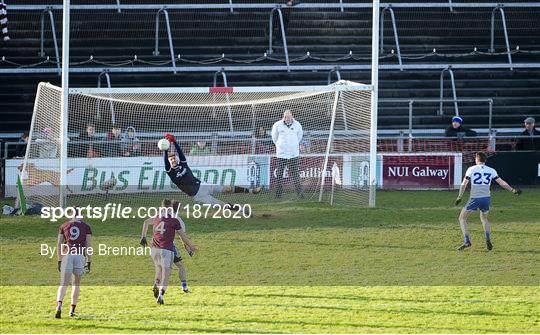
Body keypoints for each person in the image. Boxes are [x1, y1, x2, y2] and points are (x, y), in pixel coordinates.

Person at [162, 133, 261, 206]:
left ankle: (252, 191)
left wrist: (174, 142)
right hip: (198, 195)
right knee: (222, 205)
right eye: (171, 159)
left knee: (228, 189)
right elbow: (166, 162)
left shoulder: (183, 164)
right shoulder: (171, 172)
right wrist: (165, 149)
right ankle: (240, 209)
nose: (173, 160)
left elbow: (181, 154)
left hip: (203, 185)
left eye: (174, 158)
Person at [454, 152, 521, 251]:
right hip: (486, 198)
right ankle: (488, 239)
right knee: (484, 219)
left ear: (476, 159)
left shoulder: (471, 169)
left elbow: (464, 184)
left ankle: (467, 241)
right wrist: (513, 190)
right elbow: (501, 182)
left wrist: (459, 196)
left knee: (462, 218)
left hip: (475, 198)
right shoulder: (491, 170)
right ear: (485, 160)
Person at [139, 199, 197, 305]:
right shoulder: (176, 220)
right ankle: (181, 288)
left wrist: (143, 237)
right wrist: (190, 248)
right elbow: (182, 237)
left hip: (154, 247)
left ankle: (156, 284)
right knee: (175, 269)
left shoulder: (158, 216)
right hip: (168, 248)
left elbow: (146, 222)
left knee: (159, 269)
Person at [55, 208, 92, 318]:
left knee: (64, 283)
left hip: (67, 255)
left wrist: (59, 259)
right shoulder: (86, 227)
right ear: (81, 214)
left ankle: (58, 306)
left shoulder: (64, 225)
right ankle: (72, 310)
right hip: (80, 256)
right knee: (76, 284)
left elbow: (59, 244)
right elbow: (88, 246)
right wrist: (89, 260)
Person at [271, 109, 303, 199]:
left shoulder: (297, 125)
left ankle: (300, 194)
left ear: (292, 116)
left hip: (293, 154)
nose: (286, 118)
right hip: (281, 154)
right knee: (279, 175)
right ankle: (278, 195)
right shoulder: (277, 125)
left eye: (288, 117)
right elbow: (274, 138)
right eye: (285, 117)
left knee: (295, 174)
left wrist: (293, 146)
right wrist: (281, 146)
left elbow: (299, 137)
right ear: (283, 117)